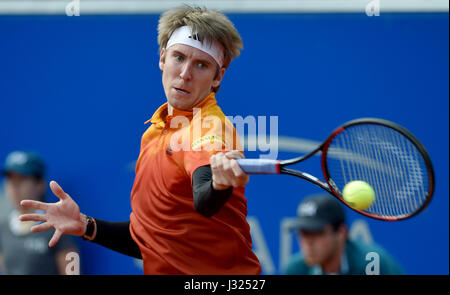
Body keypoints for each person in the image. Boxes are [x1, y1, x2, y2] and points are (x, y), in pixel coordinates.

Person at [19, 6, 261, 275]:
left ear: (218, 77)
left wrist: (218, 183)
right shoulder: (154, 133)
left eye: (201, 65)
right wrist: (85, 225)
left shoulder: (209, 127)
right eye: (178, 58)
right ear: (162, 58)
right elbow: (152, 240)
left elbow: (204, 201)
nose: (185, 73)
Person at [283, 194, 404, 275]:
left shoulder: (373, 265)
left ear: (341, 233)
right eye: (304, 233)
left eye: (317, 233)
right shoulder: (295, 270)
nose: (308, 242)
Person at [0, 151, 77, 275]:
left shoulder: (59, 227)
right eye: (10, 179)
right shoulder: (3, 228)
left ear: (40, 185)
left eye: (21, 179)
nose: (14, 186)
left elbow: (73, 272)